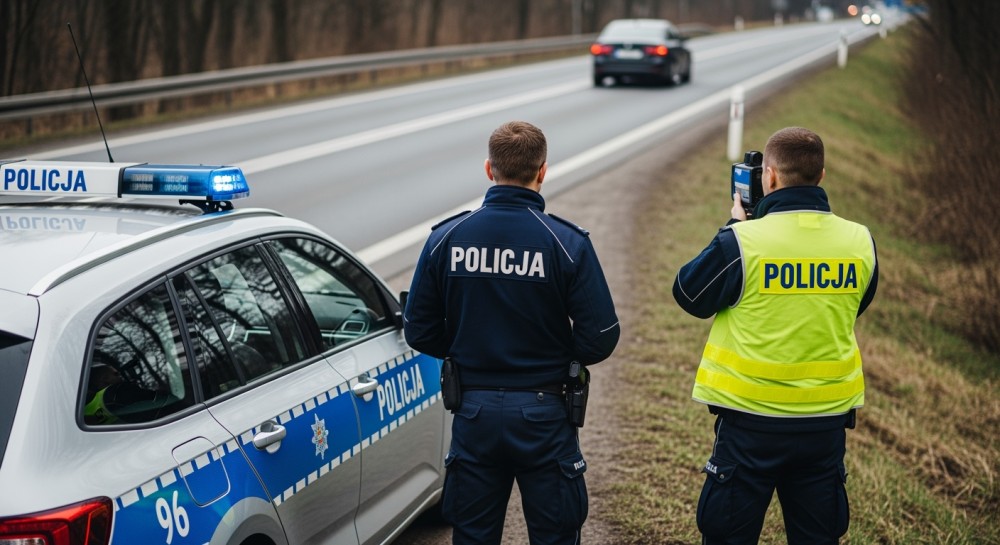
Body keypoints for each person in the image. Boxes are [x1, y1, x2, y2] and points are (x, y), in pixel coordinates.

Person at [404, 120, 620, 545]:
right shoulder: (566, 242)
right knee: (556, 534)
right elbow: (602, 335)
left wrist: (467, 346)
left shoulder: (445, 238)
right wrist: (558, 356)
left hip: (473, 412)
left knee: (472, 535)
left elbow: (418, 330)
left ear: (489, 170)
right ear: (542, 171)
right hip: (545, 412)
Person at [672, 127, 879, 544]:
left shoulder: (742, 243)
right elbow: (856, 303)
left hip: (750, 424)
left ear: (768, 177)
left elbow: (689, 294)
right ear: (821, 175)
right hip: (824, 427)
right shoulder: (860, 241)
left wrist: (731, 229)